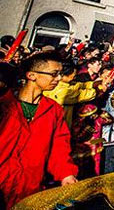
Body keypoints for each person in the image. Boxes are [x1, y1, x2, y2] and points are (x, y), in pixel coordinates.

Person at [0, 50, 78, 208]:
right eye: (54, 74)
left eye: (60, 74)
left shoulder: (53, 110)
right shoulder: (4, 106)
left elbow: (59, 148)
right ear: (31, 75)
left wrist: (66, 174)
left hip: (30, 188)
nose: (58, 79)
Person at [43, 64, 108, 128]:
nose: (75, 77)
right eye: (73, 76)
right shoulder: (61, 91)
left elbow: (81, 85)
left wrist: (100, 82)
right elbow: (82, 95)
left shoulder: (66, 83)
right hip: (56, 126)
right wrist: (100, 88)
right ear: (63, 76)